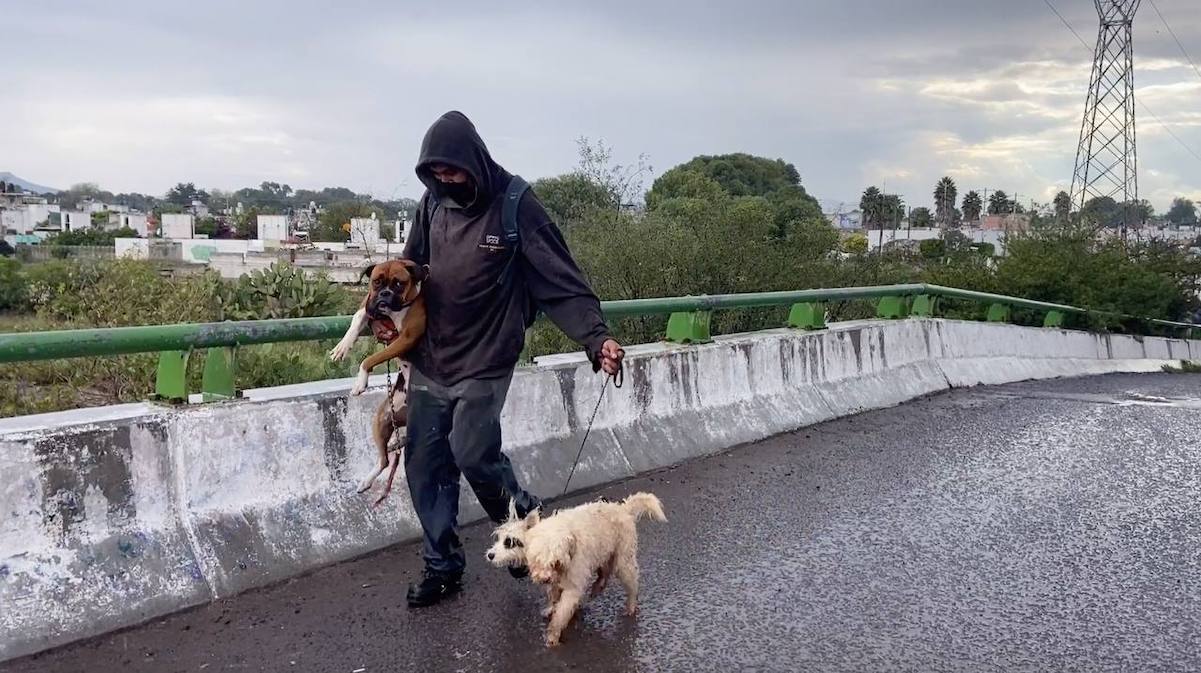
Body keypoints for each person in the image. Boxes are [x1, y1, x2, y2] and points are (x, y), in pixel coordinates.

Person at [397, 111, 624, 608]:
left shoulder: (516, 204)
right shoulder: (431, 204)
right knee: (425, 463)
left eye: (452, 171)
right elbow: (408, 270)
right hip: (433, 356)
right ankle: (442, 566)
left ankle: (527, 531)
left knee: (472, 452)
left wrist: (596, 338)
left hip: (487, 356)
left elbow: (560, 281)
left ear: (474, 161)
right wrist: (382, 315)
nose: (445, 180)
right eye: (435, 173)